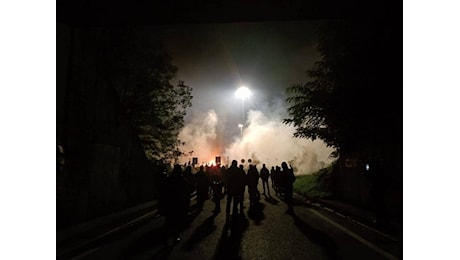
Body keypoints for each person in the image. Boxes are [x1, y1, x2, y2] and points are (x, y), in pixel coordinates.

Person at [161, 164, 190, 245]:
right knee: (177, 221)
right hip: (178, 205)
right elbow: (186, 194)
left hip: (170, 204)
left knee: (168, 221)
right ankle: (175, 236)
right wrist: (186, 206)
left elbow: (164, 193)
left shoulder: (169, 179)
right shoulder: (182, 181)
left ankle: (166, 237)